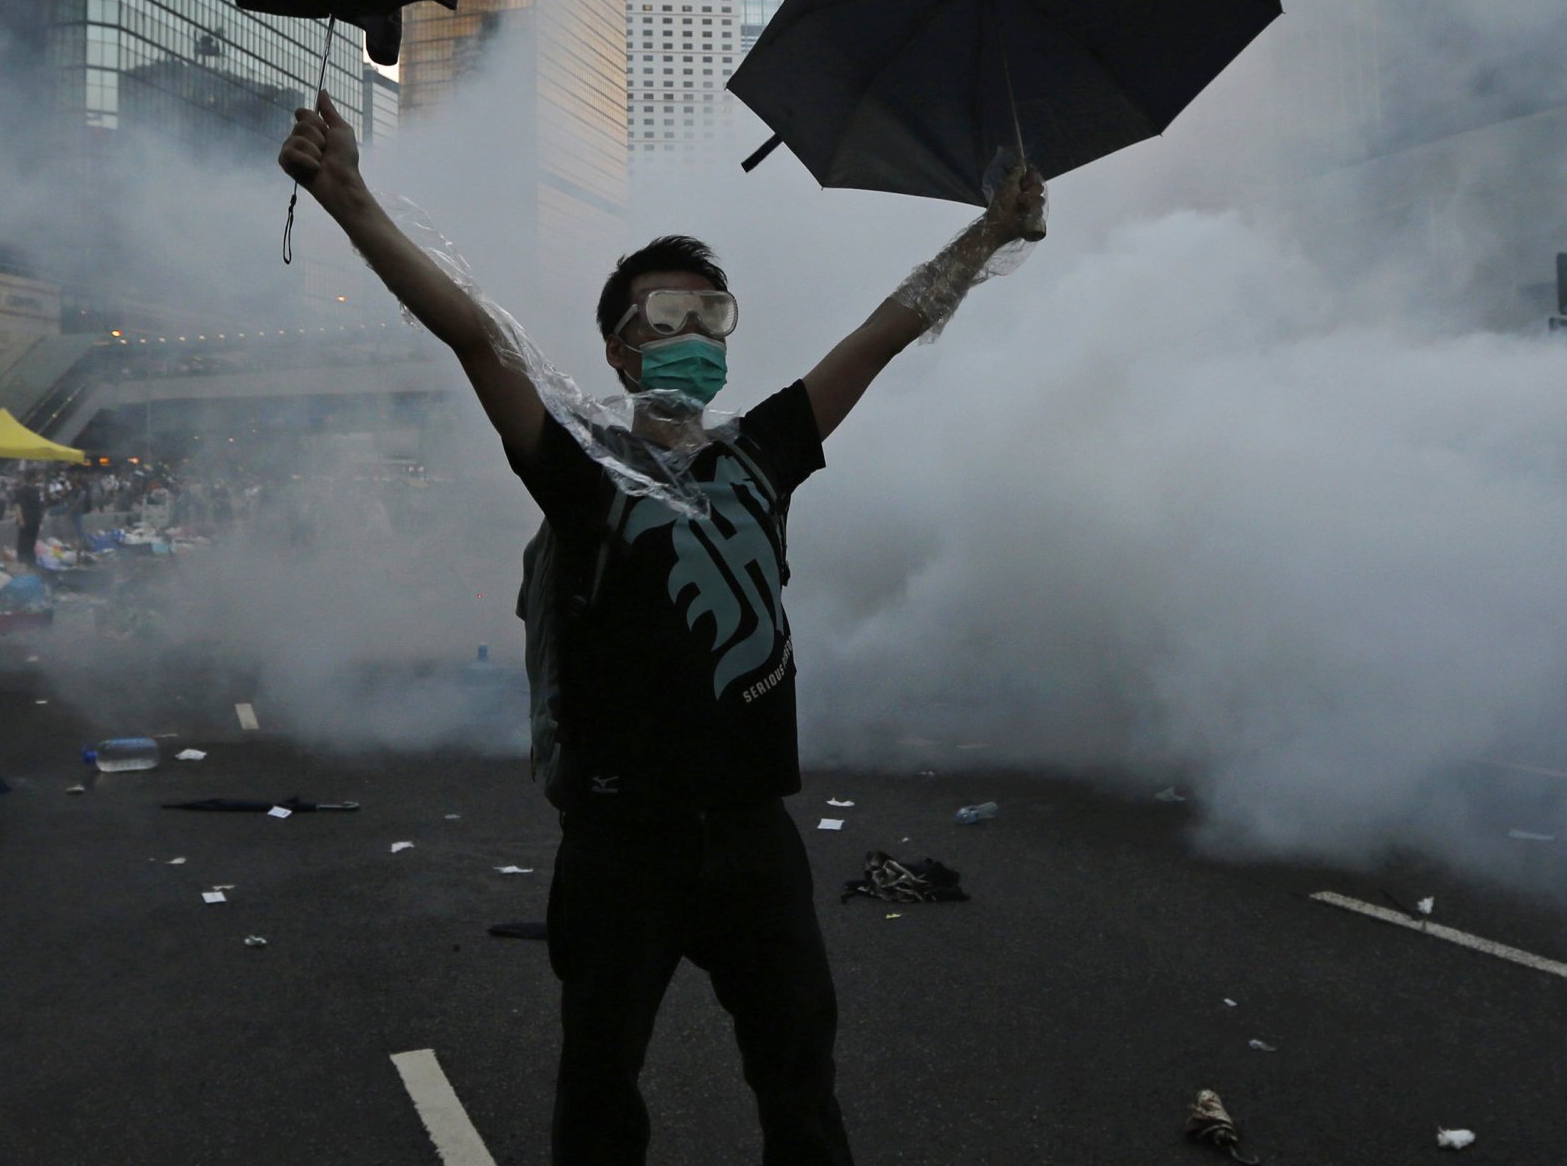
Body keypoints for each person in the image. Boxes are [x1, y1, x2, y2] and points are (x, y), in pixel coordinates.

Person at [279, 91, 1043, 1165]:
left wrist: (988, 234)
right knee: (598, 1091)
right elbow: (471, 331)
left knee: (801, 1085)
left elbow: (889, 327)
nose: (691, 337)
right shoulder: (579, 467)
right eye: (665, 318)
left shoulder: (760, 456)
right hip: (618, 844)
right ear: (619, 346)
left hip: (751, 835)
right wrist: (350, 199)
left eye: (711, 316)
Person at [14, 475, 45, 565]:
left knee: (24, 544)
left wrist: (20, 520)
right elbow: (41, 507)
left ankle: (24, 565)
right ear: (33, 478)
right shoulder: (36, 491)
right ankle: (30, 565)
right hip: (33, 521)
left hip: (28, 521)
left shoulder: (22, 490)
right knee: (30, 544)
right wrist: (40, 520)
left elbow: (17, 506)